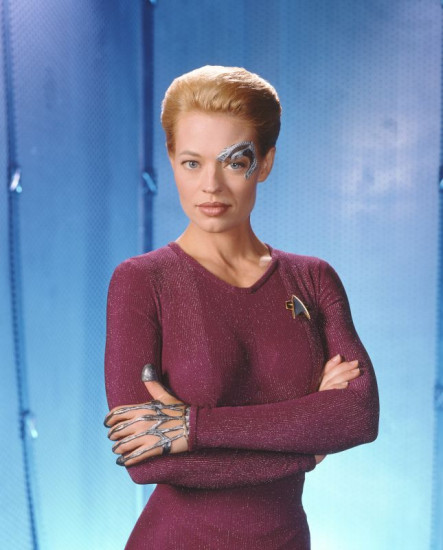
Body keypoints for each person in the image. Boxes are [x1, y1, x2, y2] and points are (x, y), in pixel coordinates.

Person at [103, 65, 379, 549]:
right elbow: (147, 461)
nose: (210, 185)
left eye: (234, 162)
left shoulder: (312, 279)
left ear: (265, 163)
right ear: (171, 160)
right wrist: (306, 446)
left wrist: (194, 426)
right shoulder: (141, 281)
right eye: (192, 163)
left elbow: (357, 416)